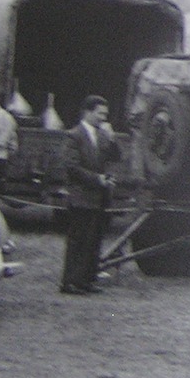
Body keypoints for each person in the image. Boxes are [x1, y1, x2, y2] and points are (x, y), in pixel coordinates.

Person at [59, 94, 121, 296]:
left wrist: (113, 139)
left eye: (105, 114)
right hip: (81, 197)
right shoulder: (74, 135)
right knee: (78, 241)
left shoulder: (102, 135)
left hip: (99, 198)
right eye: (100, 113)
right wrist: (98, 180)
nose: (103, 118)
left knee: (94, 241)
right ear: (88, 112)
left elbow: (116, 157)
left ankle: (87, 280)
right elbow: (72, 167)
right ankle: (70, 282)